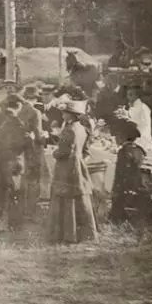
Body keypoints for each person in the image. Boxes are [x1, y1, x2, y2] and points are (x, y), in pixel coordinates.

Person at [48, 100, 97, 243]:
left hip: (66, 167)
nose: (62, 114)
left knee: (66, 197)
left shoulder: (69, 129)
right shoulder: (82, 128)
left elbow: (64, 151)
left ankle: (66, 233)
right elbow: (85, 150)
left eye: (64, 112)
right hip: (78, 165)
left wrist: (54, 153)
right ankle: (84, 233)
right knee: (79, 197)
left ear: (71, 115)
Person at [0, 95, 31, 232]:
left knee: (0, 193)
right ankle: (13, 224)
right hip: (14, 161)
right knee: (14, 193)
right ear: (18, 106)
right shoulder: (18, 123)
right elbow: (25, 143)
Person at [109, 120, 152, 224]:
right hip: (140, 183)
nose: (115, 138)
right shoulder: (139, 149)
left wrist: (115, 189)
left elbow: (120, 173)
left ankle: (118, 216)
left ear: (122, 136)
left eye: (116, 135)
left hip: (128, 185)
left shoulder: (123, 151)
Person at [18, 86, 48, 214]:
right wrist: (46, 137)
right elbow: (38, 135)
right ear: (35, 98)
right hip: (32, 149)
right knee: (34, 179)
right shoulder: (35, 112)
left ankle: (20, 207)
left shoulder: (18, 110)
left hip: (19, 149)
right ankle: (30, 210)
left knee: (23, 178)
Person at [125, 85, 152, 152]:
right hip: (137, 135)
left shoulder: (142, 107)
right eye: (128, 95)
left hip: (142, 137)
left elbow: (142, 125)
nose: (128, 97)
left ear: (137, 96)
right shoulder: (136, 106)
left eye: (131, 95)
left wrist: (126, 117)